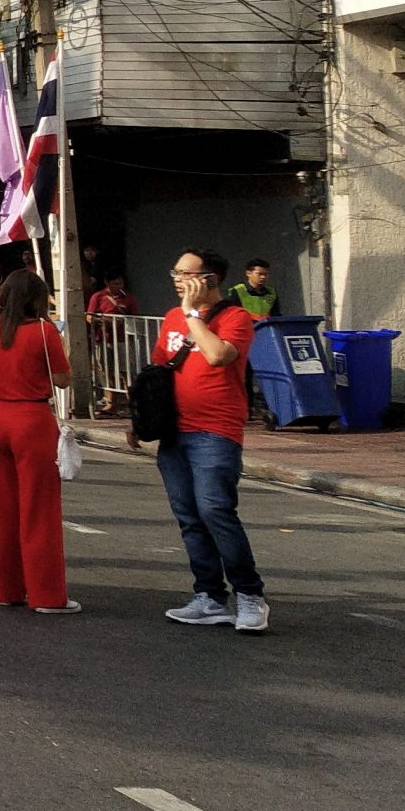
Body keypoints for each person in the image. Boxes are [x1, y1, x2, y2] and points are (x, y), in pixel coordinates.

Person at [153, 250, 268, 633]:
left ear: (212, 279)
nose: (177, 278)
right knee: (188, 516)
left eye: (187, 273)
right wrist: (142, 419)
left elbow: (219, 356)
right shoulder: (171, 318)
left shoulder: (235, 318)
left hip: (214, 432)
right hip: (174, 432)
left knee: (216, 510)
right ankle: (209, 596)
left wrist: (192, 316)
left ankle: (250, 596)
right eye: (176, 271)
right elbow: (161, 370)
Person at [0, 269, 77, 614]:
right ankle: (47, 595)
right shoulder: (44, 332)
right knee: (39, 510)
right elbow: (62, 379)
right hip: (31, 420)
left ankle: (4, 588)